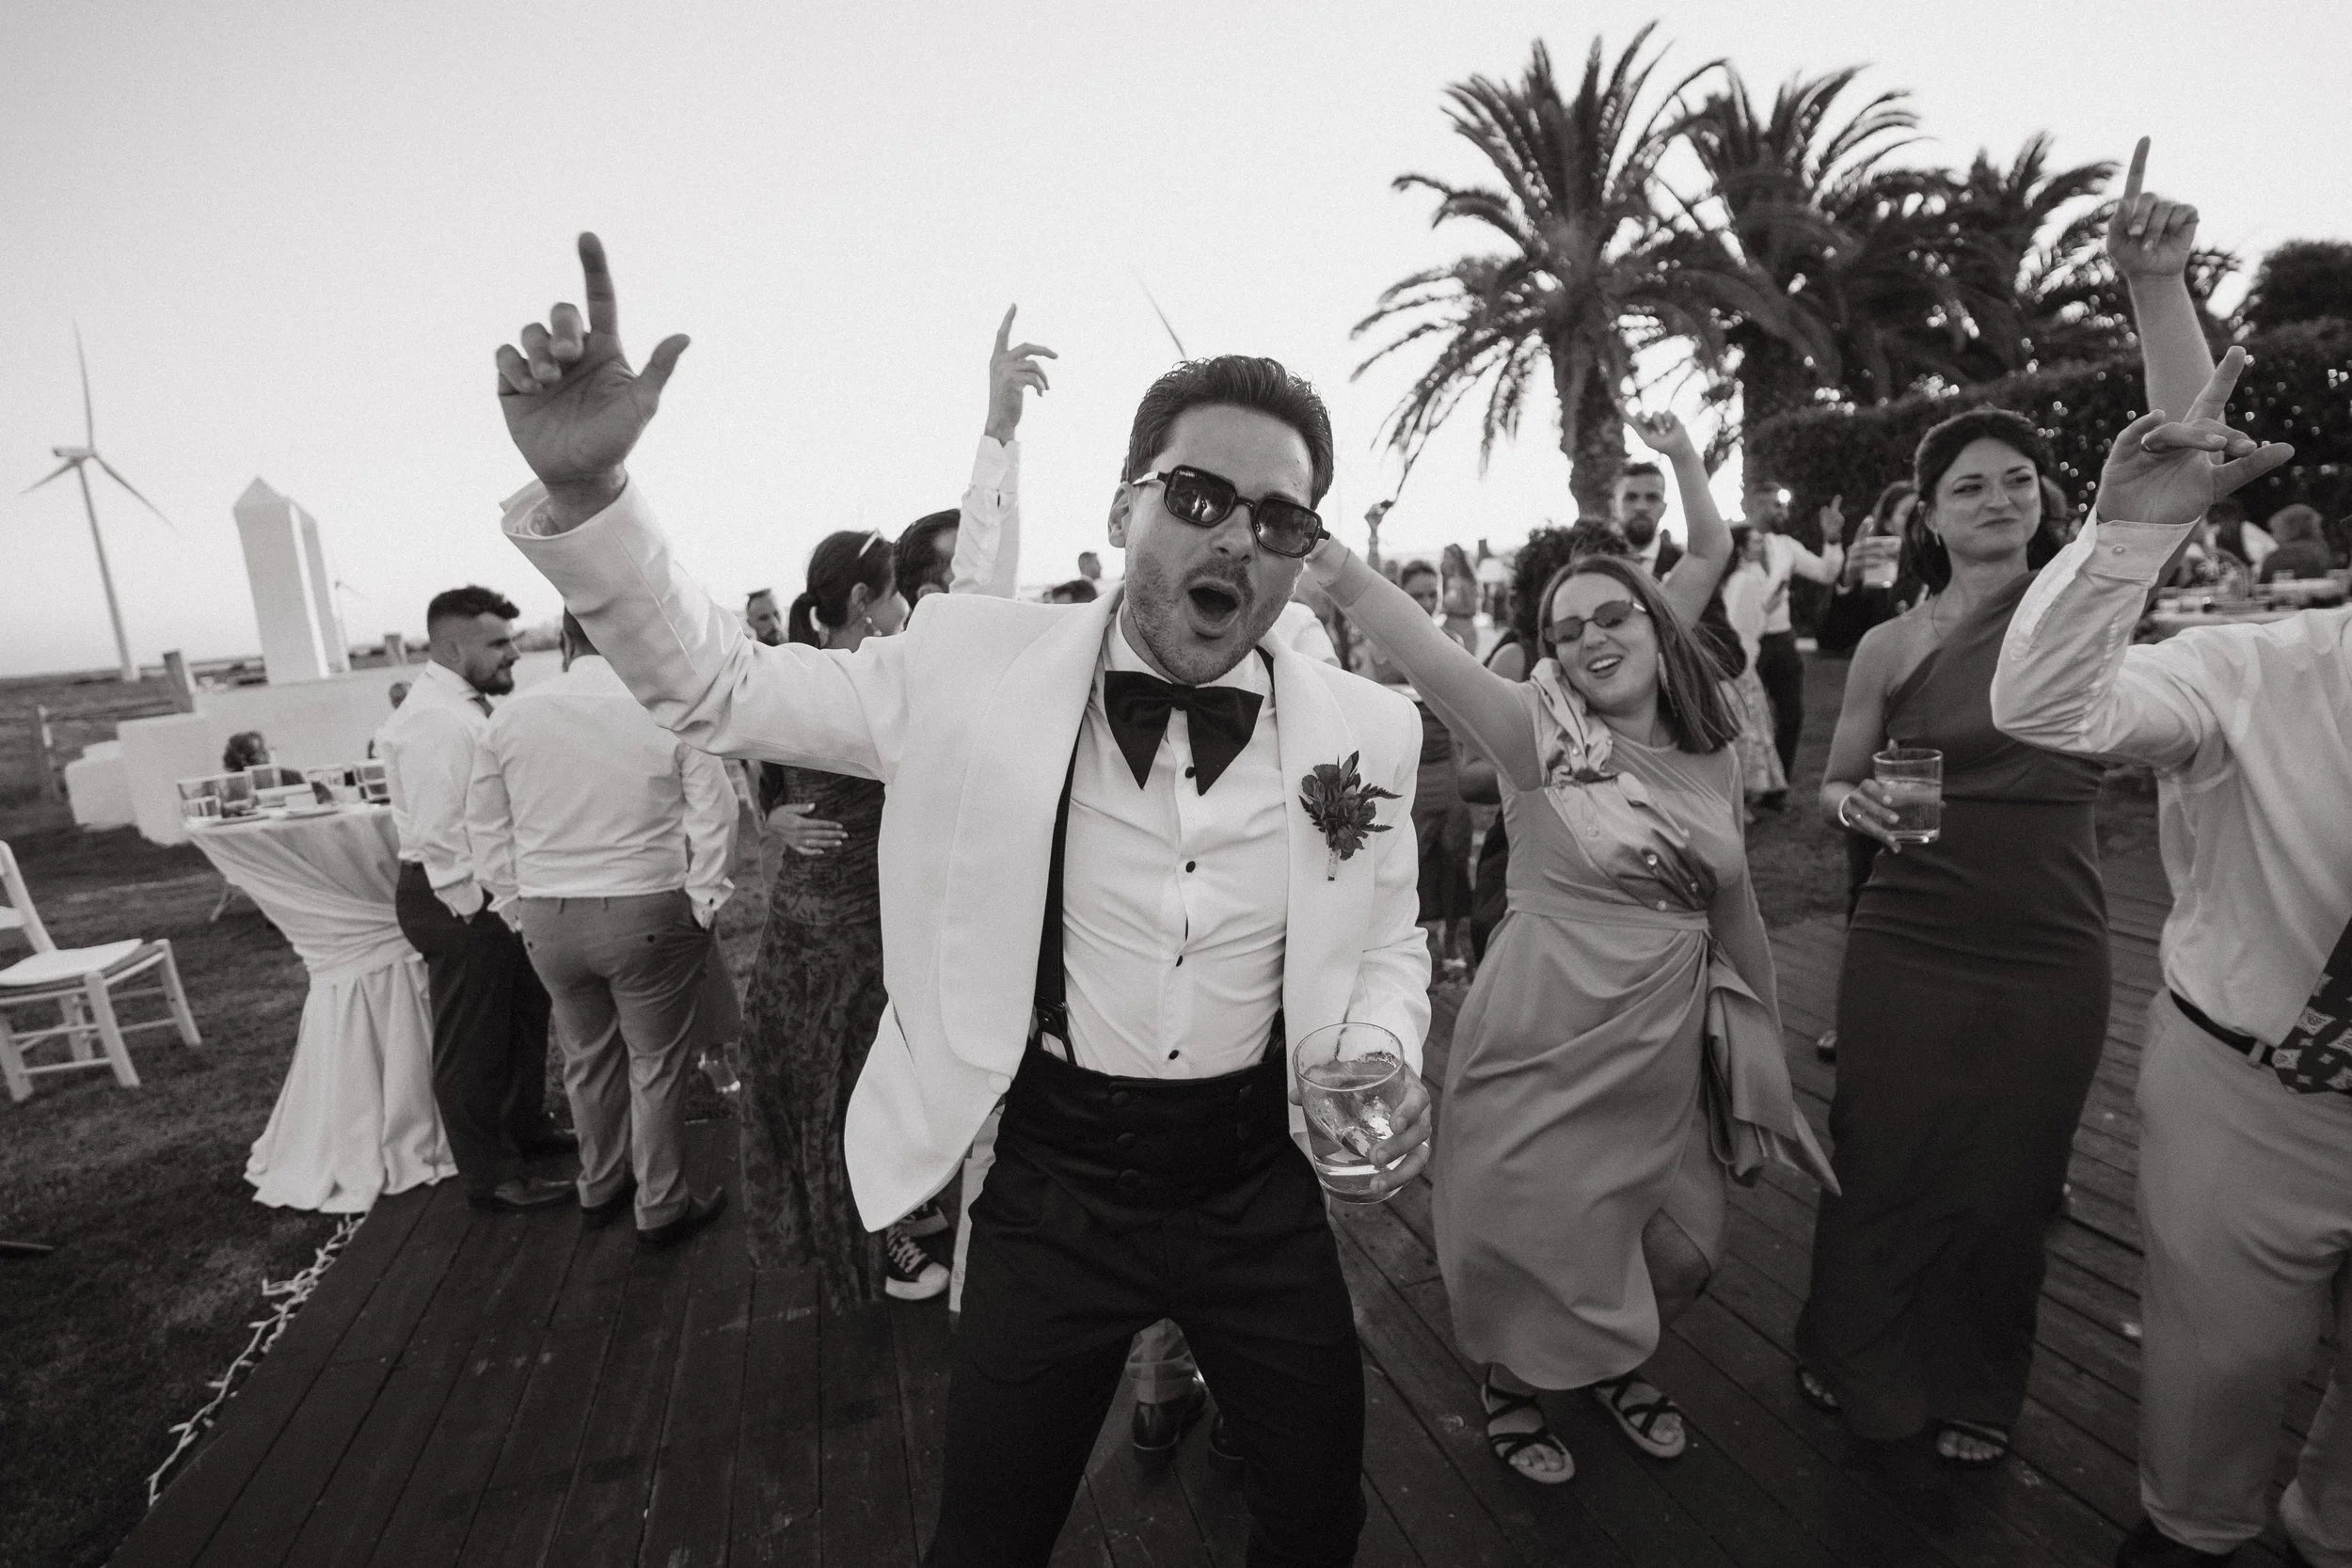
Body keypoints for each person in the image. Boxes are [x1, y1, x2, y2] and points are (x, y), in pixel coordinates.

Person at [490, 236, 1434, 1568]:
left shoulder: (1366, 730)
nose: (1237, 533)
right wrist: (591, 493)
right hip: (1054, 1184)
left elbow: (1389, 931)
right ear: (1124, 511)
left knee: (1317, 1517)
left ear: (1302, 551)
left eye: (1278, 518)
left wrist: (1386, 1042)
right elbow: (718, 687)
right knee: (987, 1533)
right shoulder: (967, 665)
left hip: (1258, 1186)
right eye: (1200, 494)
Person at [1311, 410, 1830, 1482]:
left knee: (1679, 1241)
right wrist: (1333, 561)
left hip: (1663, 1040)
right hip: (1542, 1026)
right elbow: (1423, 647)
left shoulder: (1708, 750)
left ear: (1653, 623)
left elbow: (1734, 915)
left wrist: (1758, 1048)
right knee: (1524, 1230)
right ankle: (1511, 1377)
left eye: (1611, 616)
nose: (1589, 639)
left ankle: (1610, 1357)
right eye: (1561, 630)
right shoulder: (1533, 734)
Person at [1794, 140, 2206, 1469]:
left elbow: (2185, 446)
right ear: (1931, 513)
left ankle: (1979, 1381)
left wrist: (2154, 284)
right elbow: (1831, 784)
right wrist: (1855, 808)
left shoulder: (2086, 603)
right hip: (1909, 936)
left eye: (2017, 480)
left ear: (2045, 500)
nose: (1996, 497)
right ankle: (1854, 1357)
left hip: (2051, 940)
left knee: (2012, 1178)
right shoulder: (1894, 644)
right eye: (1968, 484)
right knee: (1886, 1155)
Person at [1992, 259, 2342, 1568]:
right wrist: (2129, 533)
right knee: (2218, 1383)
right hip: (2250, 1092)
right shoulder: (2267, 667)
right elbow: (2046, 710)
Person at [467, 610, 738, 1247]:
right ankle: (662, 1203)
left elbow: (482, 821)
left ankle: (600, 1183)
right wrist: (706, 897)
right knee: (656, 1063)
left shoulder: (509, 717)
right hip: (646, 906)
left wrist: (511, 901)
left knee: (586, 1059)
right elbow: (716, 810)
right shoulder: (668, 708)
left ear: (564, 641)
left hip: (547, 915)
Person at [377, 584, 572, 1212]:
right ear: (454, 647)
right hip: (455, 896)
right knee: (475, 1041)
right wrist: (475, 910)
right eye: (498, 642)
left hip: (491, 891)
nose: (514, 652)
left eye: (512, 639)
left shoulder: (465, 705)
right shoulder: (437, 718)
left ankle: (525, 1129)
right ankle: (492, 1175)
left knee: (521, 1017)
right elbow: (440, 833)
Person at [1740, 476, 1845, 783]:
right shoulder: (1730, 542)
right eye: (1776, 505)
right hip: (1746, 644)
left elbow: (1826, 573)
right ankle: (1746, 787)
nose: (1783, 511)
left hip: (1783, 641)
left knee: (1791, 715)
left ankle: (1778, 786)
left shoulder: (1785, 546)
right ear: (1754, 505)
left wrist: (1833, 539)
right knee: (1745, 718)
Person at [1717, 529, 1789, 813]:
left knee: (1750, 728)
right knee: (1745, 731)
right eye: (1756, 541)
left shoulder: (1739, 579)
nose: (1761, 545)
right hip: (1741, 663)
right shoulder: (1744, 579)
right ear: (1742, 549)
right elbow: (1739, 623)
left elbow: (1753, 615)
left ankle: (1744, 799)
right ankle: (1741, 799)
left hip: (1743, 657)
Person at [1815, 482, 1919, 657]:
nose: (1918, 522)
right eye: (1909, 514)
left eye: (1922, 512)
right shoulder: (1877, 573)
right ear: (1888, 523)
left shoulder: (1947, 565)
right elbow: (1832, 640)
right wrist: (1850, 581)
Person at [2258, 502, 2336, 582]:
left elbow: (2263, 584)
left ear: (2289, 528)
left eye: (2274, 531)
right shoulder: (2323, 550)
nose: (2272, 537)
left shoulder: (2279, 557)